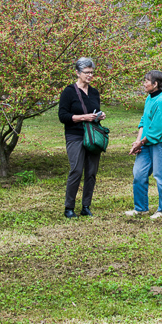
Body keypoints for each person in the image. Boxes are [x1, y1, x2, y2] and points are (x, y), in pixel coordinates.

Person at [58, 57, 106, 219]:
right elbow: (63, 116)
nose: (90, 75)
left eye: (92, 72)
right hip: (75, 135)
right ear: (77, 73)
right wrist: (83, 117)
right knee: (76, 170)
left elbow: (94, 112)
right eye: (86, 72)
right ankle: (69, 208)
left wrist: (99, 116)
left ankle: (86, 206)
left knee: (91, 172)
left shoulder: (94, 92)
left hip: (92, 136)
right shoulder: (69, 91)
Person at [126, 70, 162, 219]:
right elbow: (144, 121)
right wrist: (138, 141)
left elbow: (156, 131)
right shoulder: (150, 98)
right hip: (146, 142)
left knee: (161, 176)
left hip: (160, 143)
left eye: (147, 81)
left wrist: (140, 143)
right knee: (139, 173)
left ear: (155, 84)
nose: (144, 83)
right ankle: (140, 208)